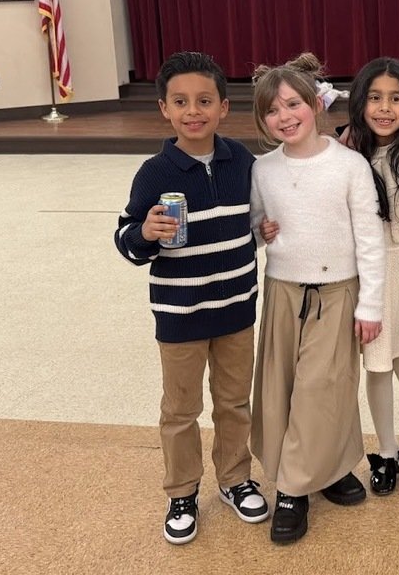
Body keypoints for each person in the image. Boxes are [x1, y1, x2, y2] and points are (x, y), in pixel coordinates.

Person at [113, 51, 267, 545]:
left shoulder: (241, 159)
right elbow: (125, 239)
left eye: (204, 100)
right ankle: (181, 490)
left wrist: (262, 231)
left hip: (237, 309)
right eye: (180, 101)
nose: (192, 110)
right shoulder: (155, 173)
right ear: (164, 108)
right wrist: (145, 233)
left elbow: (250, 225)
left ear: (224, 107)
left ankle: (235, 479)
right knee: (180, 409)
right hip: (180, 315)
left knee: (233, 401)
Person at [249, 53, 386, 544]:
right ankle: (321, 470)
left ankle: (293, 487)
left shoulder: (348, 165)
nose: (284, 117)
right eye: (272, 110)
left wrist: (371, 304)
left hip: (338, 292)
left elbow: (370, 238)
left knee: (324, 387)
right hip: (285, 292)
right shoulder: (263, 169)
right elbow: (260, 225)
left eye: (293, 104)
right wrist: (261, 232)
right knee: (284, 387)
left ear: (314, 104)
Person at [346, 57, 399, 494]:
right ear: (360, 102)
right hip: (368, 271)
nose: (385, 108)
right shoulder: (347, 154)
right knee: (376, 367)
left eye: (395, 98)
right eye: (375, 98)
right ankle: (382, 449)